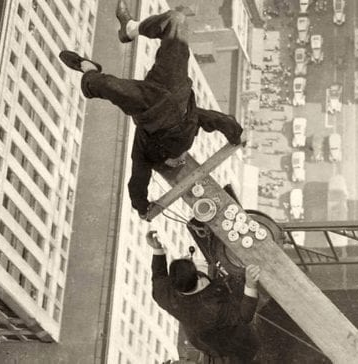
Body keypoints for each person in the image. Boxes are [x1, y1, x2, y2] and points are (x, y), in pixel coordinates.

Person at [58, 1, 243, 220]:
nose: (180, 160)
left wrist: (142, 206)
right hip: (174, 85)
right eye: (182, 160)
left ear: (164, 162)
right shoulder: (190, 129)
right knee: (175, 21)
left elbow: (137, 179)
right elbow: (215, 120)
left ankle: (87, 69)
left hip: (149, 105)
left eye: (176, 163)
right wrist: (236, 133)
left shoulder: (145, 151)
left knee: (108, 86)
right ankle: (130, 29)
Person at [146, 231, 260, 363]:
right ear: (197, 276)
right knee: (250, 348)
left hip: (202, 337)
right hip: (230, 343)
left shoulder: (164, 294)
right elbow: (244, 316)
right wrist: (251, 285)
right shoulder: (212, 308)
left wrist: (157, 249)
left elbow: (159, 276)